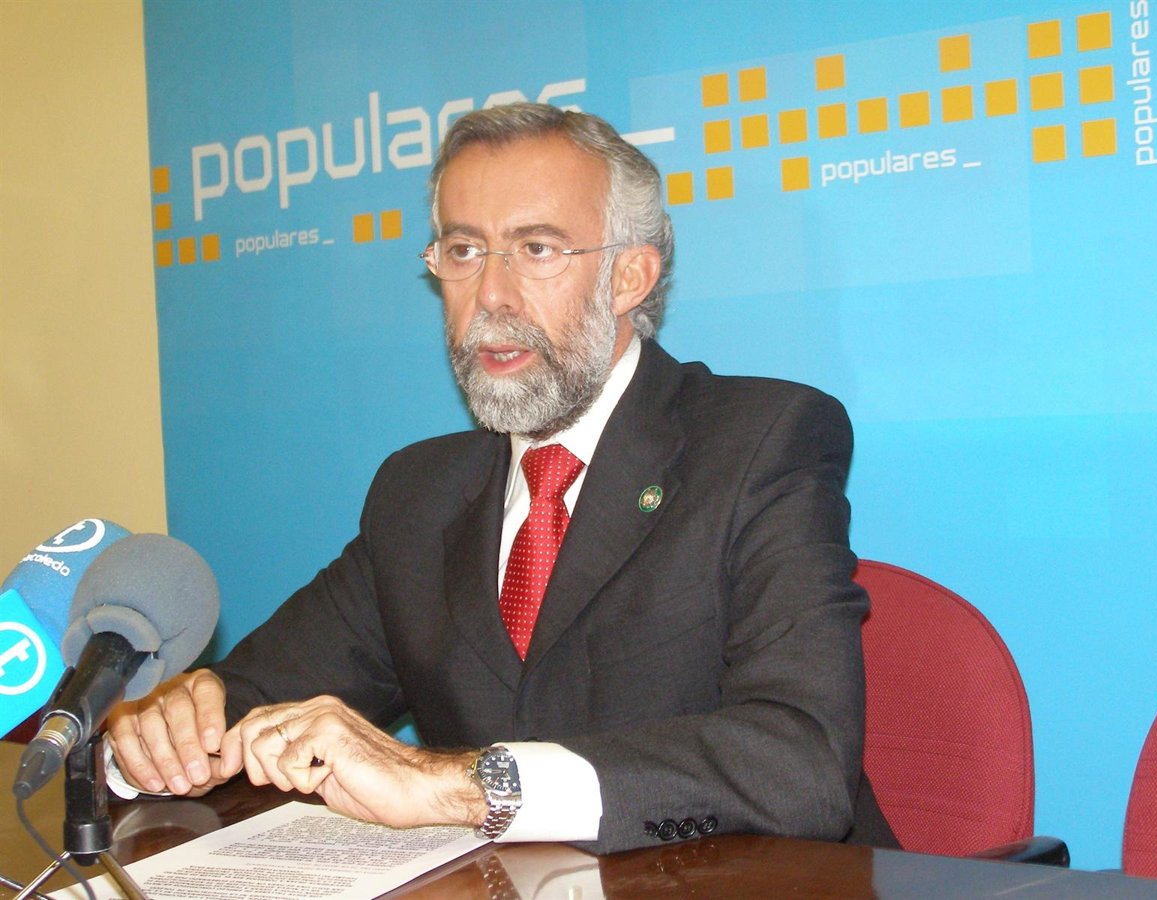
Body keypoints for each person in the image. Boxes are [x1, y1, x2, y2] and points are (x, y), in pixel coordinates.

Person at [107, 102, 896, 854]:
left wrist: (458, 786)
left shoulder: (759, 441)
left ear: (629, 277)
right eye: (462, 251)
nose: (489, 296)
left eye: (537, 249)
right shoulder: (417, 492)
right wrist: (160, 737)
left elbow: (799, 762)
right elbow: (251, 697)